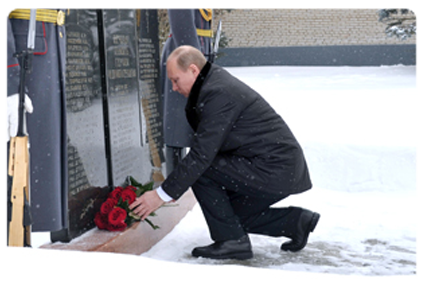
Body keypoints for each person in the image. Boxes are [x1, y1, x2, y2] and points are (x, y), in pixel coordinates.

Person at [130, 45, 320, 260]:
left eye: (175, 80)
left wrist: (160, 195)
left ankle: (231, 242)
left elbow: (202, 154)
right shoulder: (212, 84)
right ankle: (296, 222)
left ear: (193, 70)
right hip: (271, 166)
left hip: (275, 167)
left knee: (202, 168)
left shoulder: (219, 92)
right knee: (229, 216)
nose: (173, 87)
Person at [5, 8, 68, 241]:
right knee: (15, 159)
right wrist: (8, 82)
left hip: (49, 42)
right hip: (23, 52)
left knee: (42, 159)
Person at [161, 8, 213, 176]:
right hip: (183, 60)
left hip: (197, 56)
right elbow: (182, 26)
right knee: (177, 126)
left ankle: (181, 177)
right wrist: (195, 61)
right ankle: (173, 178)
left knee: (189, 122)